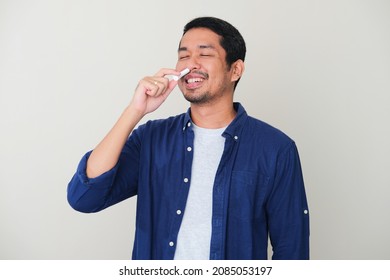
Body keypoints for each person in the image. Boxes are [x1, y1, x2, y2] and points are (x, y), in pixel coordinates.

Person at [67, 16, 310, 260]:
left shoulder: (276, 149)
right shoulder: (152, 139)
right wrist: (135, 110)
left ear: (235, 69)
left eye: (204, 54)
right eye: (183, 56)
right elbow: (84, 197)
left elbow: (292, 250)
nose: (190, 64)